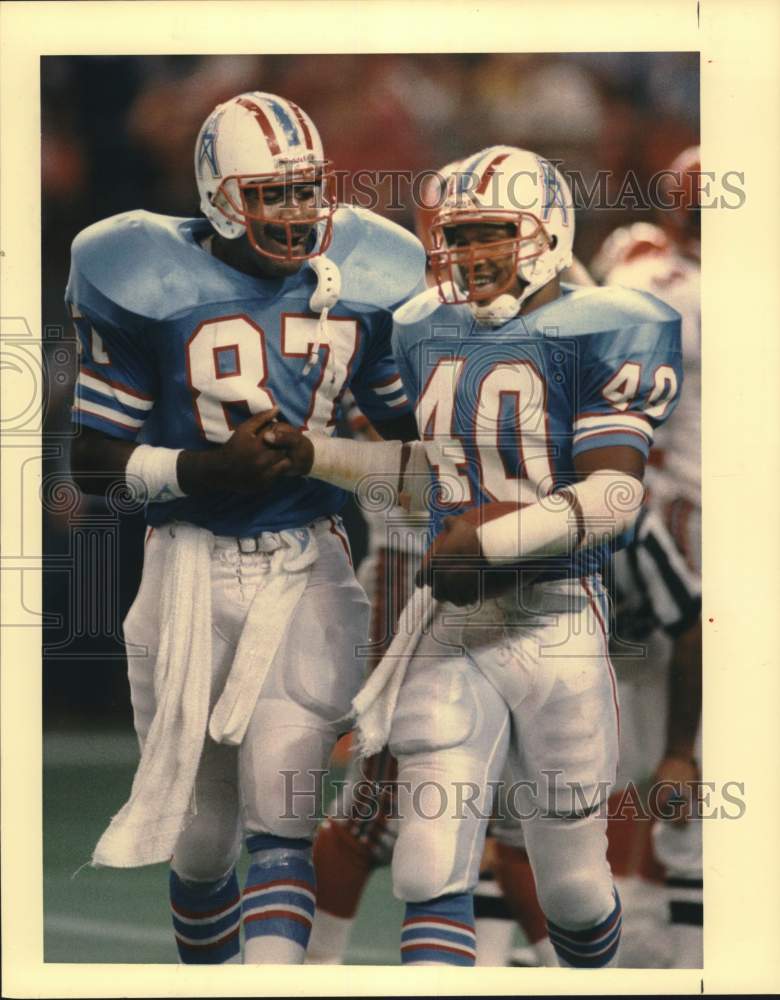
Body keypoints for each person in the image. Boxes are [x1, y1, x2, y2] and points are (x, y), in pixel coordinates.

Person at [264, 145, 684, 967]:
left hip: (558, 620)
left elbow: (615, 497)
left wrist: (488, 542)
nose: (470, 253)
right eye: (457, 236)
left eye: (492, 231)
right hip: (457, 621)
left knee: (570, 885)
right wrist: (310, 453)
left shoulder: (608, 324)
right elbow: (433, 479)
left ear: (547, 230)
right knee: (427, 859)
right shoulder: (427, 324)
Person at [66, 90, 425, 964]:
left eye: (307, 190)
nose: (296, 213)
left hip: (308, 567)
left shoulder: (366, 278)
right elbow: (92, 460)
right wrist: (206, 470)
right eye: (271, 193)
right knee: (201, 840)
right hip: (184, 568)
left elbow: (408, 447)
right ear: (219, 193)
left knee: (283, 817)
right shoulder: (137, 271)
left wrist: (326, 457)